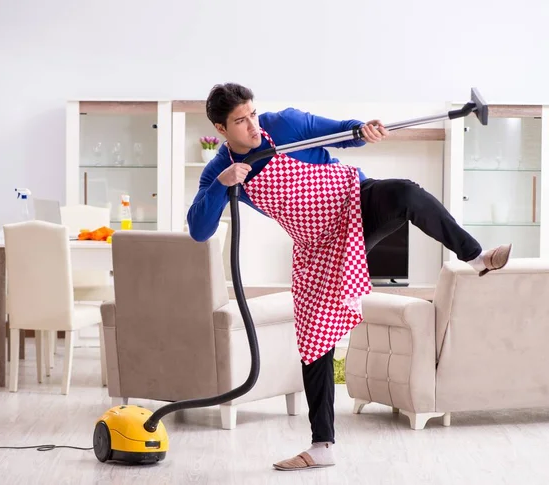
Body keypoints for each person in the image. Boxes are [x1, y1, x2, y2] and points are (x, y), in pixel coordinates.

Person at [186, 83, 512, 471]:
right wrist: (223, 185)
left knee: (406, 193)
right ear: (221, 130)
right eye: (240, 121)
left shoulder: (284, 124)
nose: (252, 126)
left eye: (252, 114)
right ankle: (321, 445)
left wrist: (363, 128)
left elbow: (342, 131)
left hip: (355, 201)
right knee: (314, 344)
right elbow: (198, 229)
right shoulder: (218, 171)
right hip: (316, 247)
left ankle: (476, 257)